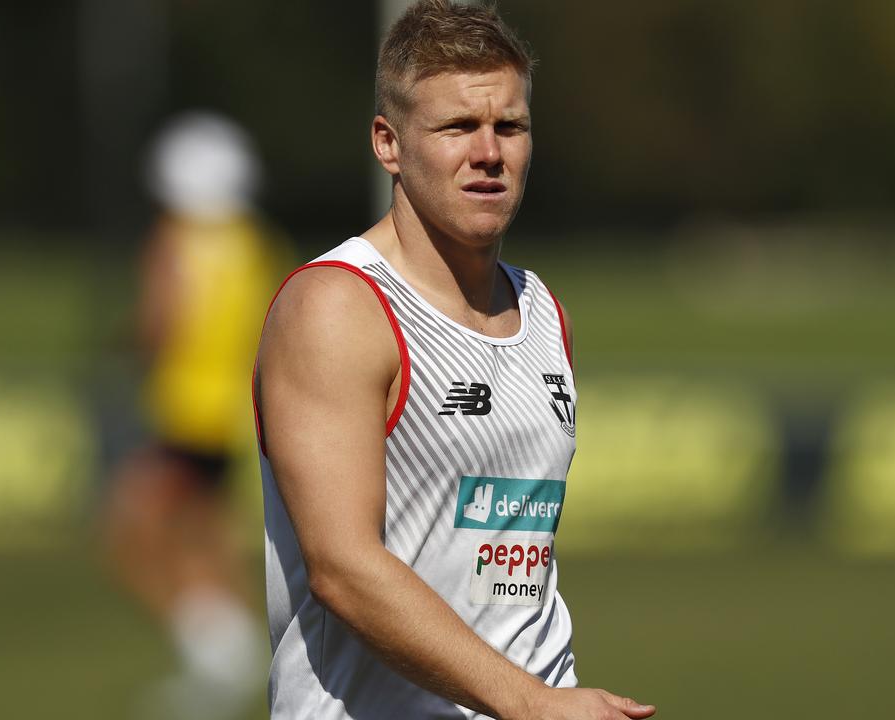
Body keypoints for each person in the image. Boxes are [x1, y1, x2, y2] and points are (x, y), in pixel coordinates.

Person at [253, 2, 656, 719]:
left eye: (510, 126)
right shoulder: (338, 307)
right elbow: (343, 569)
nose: (489, 153)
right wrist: (529, 703)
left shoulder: (541, 309)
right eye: (457, 127)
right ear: (389, 143)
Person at [104, 111, 283, 720]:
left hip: (182, 415)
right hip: (234, 418)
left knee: (129, 531)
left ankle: (219, 655)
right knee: (203, 537)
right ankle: (228, 655)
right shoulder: (255, 243)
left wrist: (127, 346)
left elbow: (160, 323)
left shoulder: (174, 241)